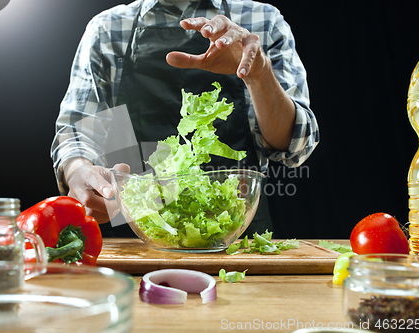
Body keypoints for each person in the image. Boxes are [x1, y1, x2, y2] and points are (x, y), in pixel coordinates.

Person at [51, 0, 319, 237]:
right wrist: (78, 171)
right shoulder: (107, 28)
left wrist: (259, 76)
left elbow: (294, 145)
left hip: (239, 237)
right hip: (135, 237)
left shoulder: (263, 20)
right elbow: (79, 130)